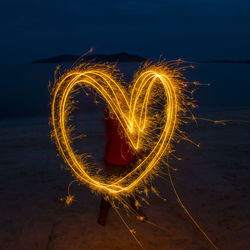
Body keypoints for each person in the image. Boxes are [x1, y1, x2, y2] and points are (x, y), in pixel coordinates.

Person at [97, 107, 147, 226]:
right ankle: (103, 213)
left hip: (130, 161)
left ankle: (136, 209)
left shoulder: (131, 119)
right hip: (113, 161)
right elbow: (108, 113)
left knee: (132, 190)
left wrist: (139, 151)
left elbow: (134, 138)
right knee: (109, 191)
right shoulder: (111, 118)